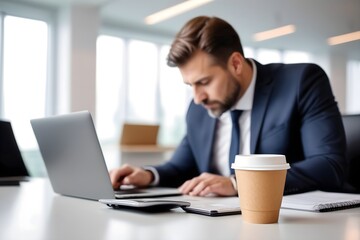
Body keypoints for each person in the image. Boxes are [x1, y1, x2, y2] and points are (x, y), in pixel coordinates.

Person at [109, 16, 348, 196]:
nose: (197, 97)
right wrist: (148, 175)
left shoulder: (300, 83)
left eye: (204, 82)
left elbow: (329, 165)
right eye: (190, 85)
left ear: (235, 64)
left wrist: (238, 183)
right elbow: (181, 167)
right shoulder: (199, 109)